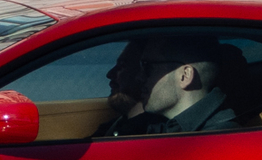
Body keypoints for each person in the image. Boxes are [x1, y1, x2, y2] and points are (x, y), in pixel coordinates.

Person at [101, 32, 241, 137]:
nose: (139, 77)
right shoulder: (157, 125)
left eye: (148, 67)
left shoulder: (220, 141)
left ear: (184, 76)